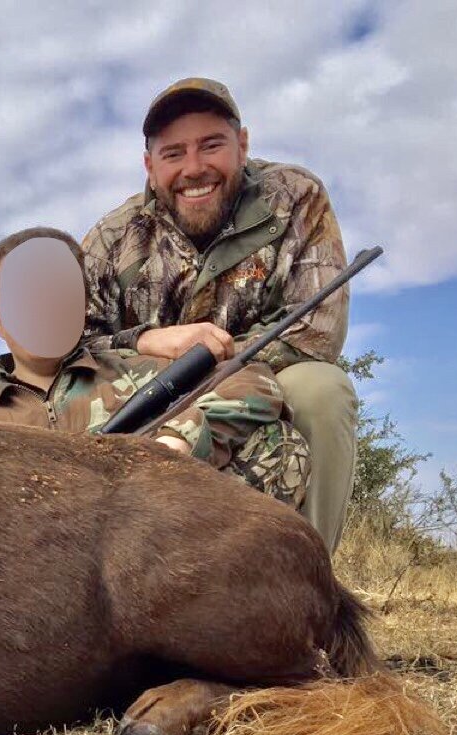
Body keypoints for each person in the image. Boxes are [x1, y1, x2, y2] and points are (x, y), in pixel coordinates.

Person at [81, 77, 356, 549]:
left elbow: (317, 332)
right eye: (173, 154)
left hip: (265, 382)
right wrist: (148, 342)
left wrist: (213, 364)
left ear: (242, 145)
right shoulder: (112, 237)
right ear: (149, 166)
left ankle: (311, 591)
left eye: (211, 145)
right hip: (146, 392)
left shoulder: (296, 198)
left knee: (323, 390)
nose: (194, 168)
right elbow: (72, 344)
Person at [0, 226, 309, 507]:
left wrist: (175, 442)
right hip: (27, 577)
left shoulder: (132, 371)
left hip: (142, 554)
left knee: (280, 444)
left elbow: (253, 380)